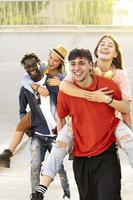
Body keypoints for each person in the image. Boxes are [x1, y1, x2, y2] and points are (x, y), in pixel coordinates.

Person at [32, 34, 132, 198]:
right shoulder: (76, 75)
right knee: (59, 146)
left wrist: (106, 99)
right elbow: (64, 87)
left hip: (111, 121)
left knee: (130, 142)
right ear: (96, 52)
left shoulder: (118, 76)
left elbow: (126, 108)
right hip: (79, 123)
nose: (105, 47)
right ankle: (41, 188)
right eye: (102, 44)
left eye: (110, 45)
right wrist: (90, 95)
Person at [0, 50, 71, 200]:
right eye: (27, 67)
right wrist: (27, 127)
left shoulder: (54, 81)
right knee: (35, 167)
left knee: (59, 168)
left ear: (39, 64)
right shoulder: (26, 87)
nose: (31, 68)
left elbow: (62, 108)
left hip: (55, 133)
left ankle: (67, 192)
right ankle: (35, 196)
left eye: (33, 65)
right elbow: (21, 109)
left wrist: (61, 131)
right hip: (39, 133)